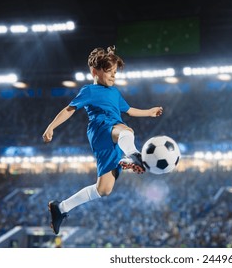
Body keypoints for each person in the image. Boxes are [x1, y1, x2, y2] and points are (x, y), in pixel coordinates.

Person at [42, 45, 163, 235]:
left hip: (114, 136)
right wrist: (51, 126)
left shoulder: (114, 92)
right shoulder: (89, 90)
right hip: (101, 128)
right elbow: (69, 109)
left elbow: (129, 110)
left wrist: (149, 112)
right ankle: (132, 155)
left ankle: (61, 208)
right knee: (126, 130)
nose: (114, 76)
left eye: (115, 73)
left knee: (104, 189)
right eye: (110, 72)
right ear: (95, 71)